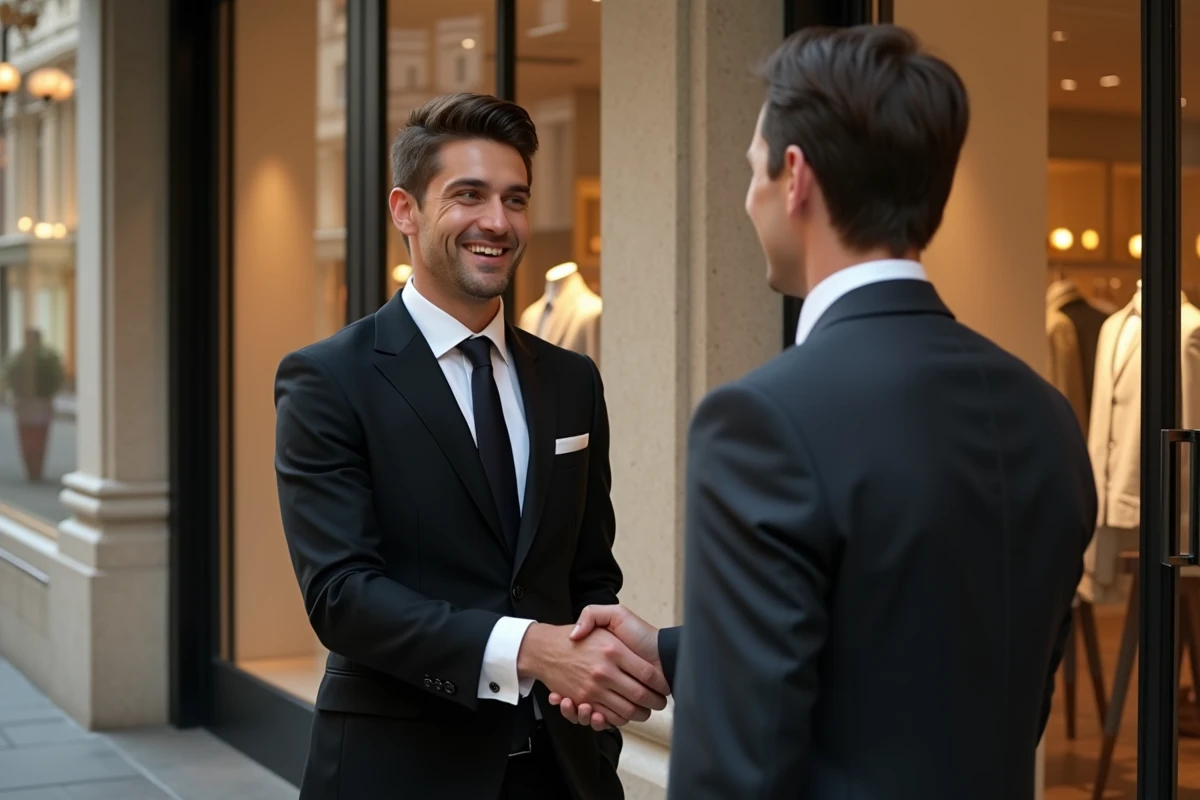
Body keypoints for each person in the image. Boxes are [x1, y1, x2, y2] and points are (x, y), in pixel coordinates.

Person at [548, 25, 1095, 800]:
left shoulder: (761, 420)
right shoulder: (1046, 414)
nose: (748, 197)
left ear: (795, 177)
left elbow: (737, 766)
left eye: (751, 171)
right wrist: (672, 651)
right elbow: (925, 657)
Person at [274, 92, 668, 800]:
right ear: (405, 210)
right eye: (469, 195)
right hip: (399, 772)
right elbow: (342, 596)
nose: (498, 222)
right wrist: (526, 648)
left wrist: (596, 723)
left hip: (563, 772)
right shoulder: (327, 379)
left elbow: (588, 574)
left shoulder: (572, 380)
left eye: (515, 200)